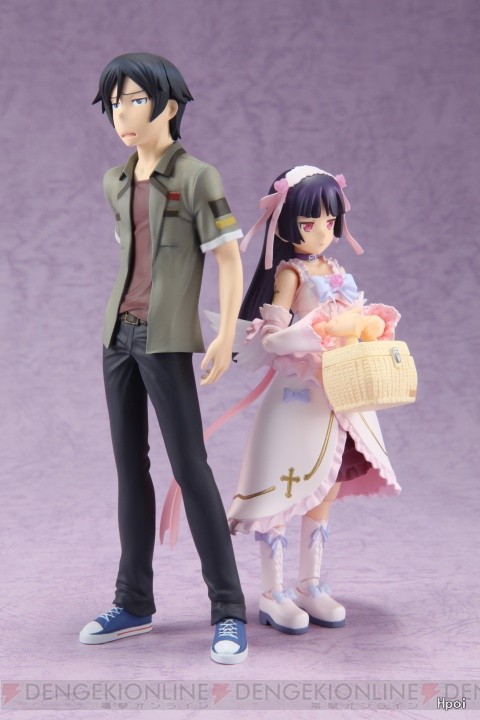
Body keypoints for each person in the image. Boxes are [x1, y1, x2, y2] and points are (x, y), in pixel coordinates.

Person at [78, 53, 247, 664]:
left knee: (190, 467)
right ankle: (133, 602)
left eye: (134, 101)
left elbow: (227, 259)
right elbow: (134, 256)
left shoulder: (198, 177)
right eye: (114, 103)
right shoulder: (116, 181)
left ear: (168, 106)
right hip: (117, 338)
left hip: (166, 338)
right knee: (130, 469)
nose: (121, 115)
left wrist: (224, 334)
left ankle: (228, 609)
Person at [229, 165, 401, 634]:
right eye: (310, 223)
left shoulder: (337, 270)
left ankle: (311, 584)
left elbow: (355, 319)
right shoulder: (291, 272)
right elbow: (273, 338)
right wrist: (321, 331)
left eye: (330, 221)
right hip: (298, 397)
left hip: (340, 397)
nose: (323, 231)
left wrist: (364, 328)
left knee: (325, 488)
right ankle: (273, 593)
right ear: (288, 224)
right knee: (284, 490)